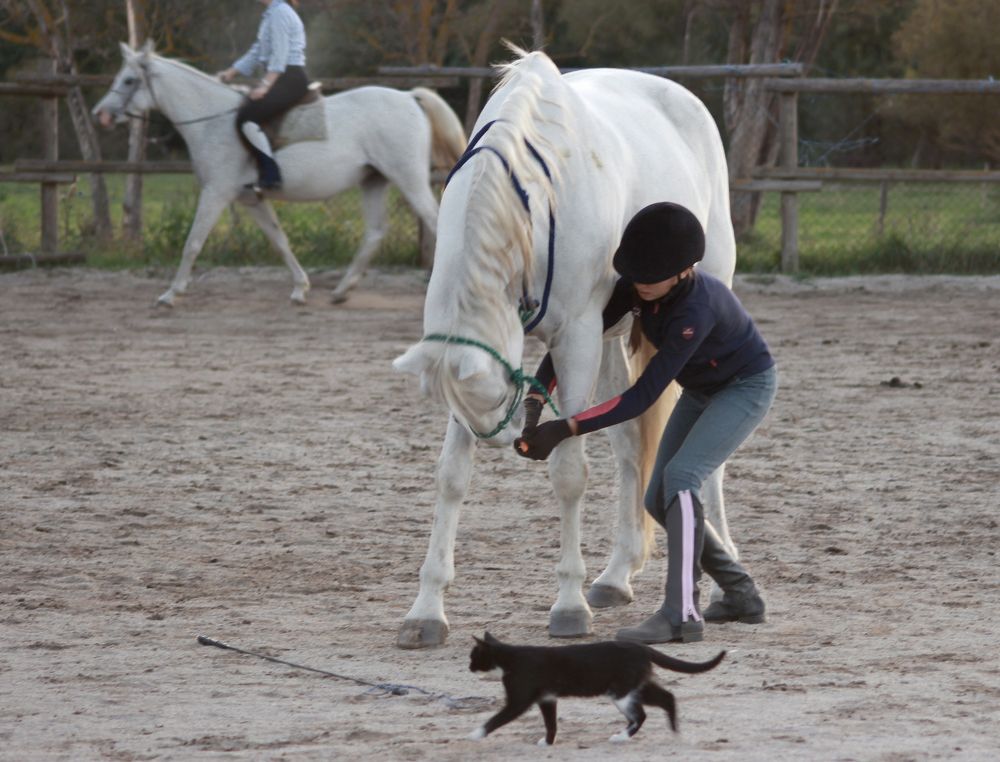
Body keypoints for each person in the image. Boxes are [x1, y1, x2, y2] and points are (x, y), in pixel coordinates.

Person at [514, 201, 778, 645]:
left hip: (744, 388)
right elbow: (582, 336)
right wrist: (537, 397)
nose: (640, 283)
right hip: (702, 390)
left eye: (651, 276)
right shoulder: (638, 286)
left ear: (684, 270)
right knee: (657, 498)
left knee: (682, 478)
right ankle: (741, 593)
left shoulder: (694, 311)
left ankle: (682, 613)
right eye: (635, 274)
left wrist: (567, 427)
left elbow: (642, 396)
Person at [218, 0, 309, 192]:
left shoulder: (279, 13)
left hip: (290, 78)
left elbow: (280, 54)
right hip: (282, 77)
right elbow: (257, 50)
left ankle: (271, 176)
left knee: (247, 117)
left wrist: (266, 85)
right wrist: (230, 72)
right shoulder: (271, 13)